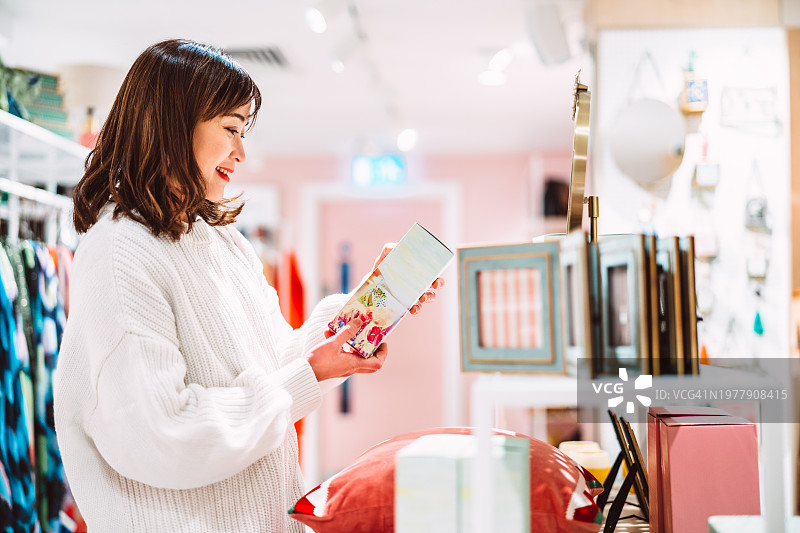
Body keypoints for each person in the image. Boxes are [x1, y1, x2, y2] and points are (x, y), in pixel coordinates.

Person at [53, 38, 442, 532]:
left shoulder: (219, 241)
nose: (241, 151)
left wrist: (369, 302)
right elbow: (163, 432)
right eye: (231, 129)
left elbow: (278, 363)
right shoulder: (119, 253)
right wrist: (308, 373)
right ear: (175, 125)